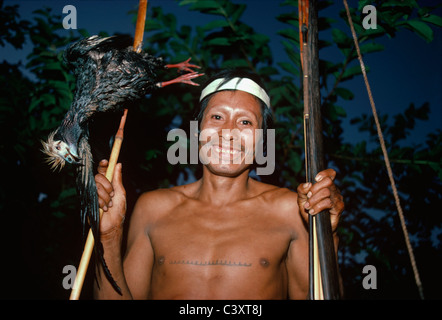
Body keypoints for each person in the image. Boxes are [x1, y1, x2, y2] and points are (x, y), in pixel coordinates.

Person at [93, 69, 344, 299]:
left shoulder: (291, 209)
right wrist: (108, 235)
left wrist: (326, 234)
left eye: (245, 122)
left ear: (262, 142)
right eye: (217, 117)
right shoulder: (154, 208)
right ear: (196, 132)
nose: (228, 132)